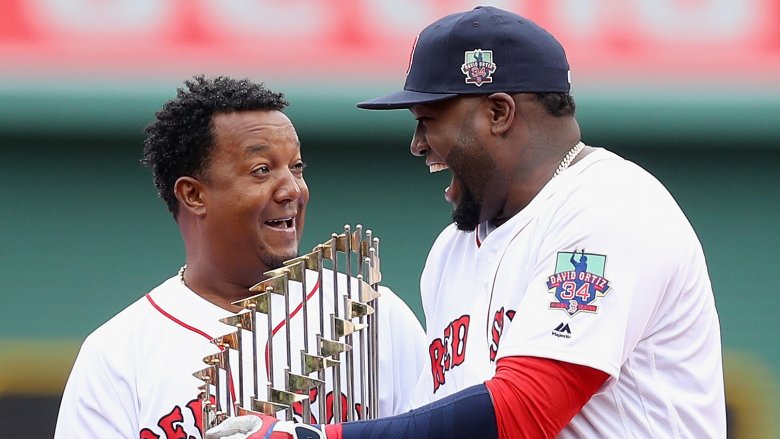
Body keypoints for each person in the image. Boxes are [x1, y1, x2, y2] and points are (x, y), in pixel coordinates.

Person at [206, 6, 726, 439]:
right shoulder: (451, 251)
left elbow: (524, 411)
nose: (417, 144)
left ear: (498, 113)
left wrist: (315, 437)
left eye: (428, 120)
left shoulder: (610, 206)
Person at [53, 75, 427, 438]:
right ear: (193, 195)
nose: (292, 189)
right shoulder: (119, 353)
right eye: (262, 170)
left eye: (296, 167)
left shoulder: (371, 314)